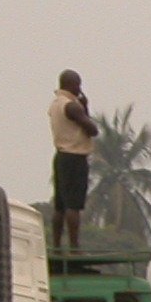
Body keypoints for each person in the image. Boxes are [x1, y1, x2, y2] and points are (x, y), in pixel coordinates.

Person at [48, 70, 99, 250]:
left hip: (60, 155)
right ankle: (74, 246)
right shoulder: (72, 106)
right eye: (78, 85)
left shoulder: (55, 104)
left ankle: (55, 244)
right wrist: (86, 107)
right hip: (75, 156)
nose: (80, 89)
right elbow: (92, 130)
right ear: (71, 85)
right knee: (73, 205)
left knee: (60, 205)